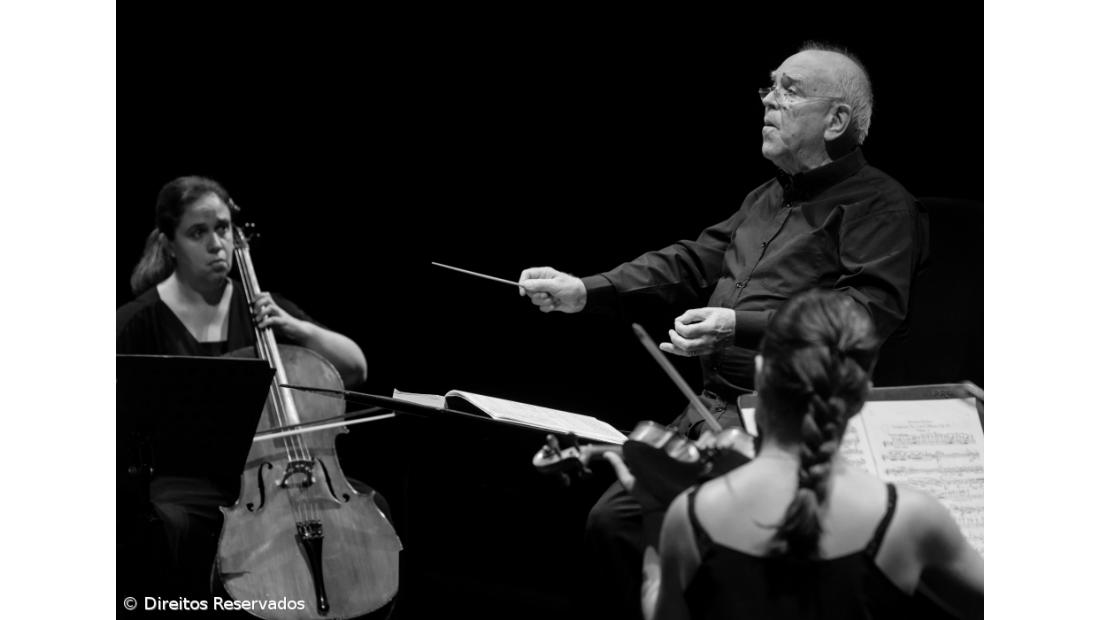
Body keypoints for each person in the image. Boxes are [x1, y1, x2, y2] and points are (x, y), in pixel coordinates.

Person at [518, 43, 928, 620]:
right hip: (709, 414)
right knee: (613, 528)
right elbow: (692, 260)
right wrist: (588, 289)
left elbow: (867, 312)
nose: (768, 100)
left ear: (837, 120)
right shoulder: (765, 197)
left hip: (789, 422)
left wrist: (741, 327)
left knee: (636, 530)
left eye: (790, 90)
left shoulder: (883, 205)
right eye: (769, 86)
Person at [117, 176, 383, 602]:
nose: (216, 244)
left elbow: (354, 368)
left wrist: (293, 326)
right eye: (197, 232)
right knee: (170, 524)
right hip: (187, 483)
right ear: (169, 243)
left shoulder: (261, 307)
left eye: (222, 228)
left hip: (272, 476)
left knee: (376, 508)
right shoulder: (136, 322)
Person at [644, 288, 983, 619]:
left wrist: (653, 535)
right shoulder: (912, 518)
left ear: (761, 375)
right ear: (861, 395)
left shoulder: (691, 514)